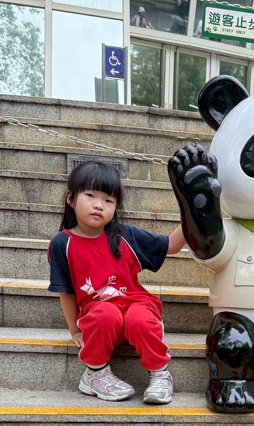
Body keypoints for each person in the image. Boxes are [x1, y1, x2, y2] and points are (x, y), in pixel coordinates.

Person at [48, 160, 185, 403]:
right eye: (90, 195)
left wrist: (193, 214)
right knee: (106, 314)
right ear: (70, 198)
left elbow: (172, 246)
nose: (99, 205)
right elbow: (66, 291)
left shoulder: (125, 236)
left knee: (139, 318)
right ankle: (95, 374)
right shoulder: (62, 244)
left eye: (108, 200)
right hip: (100, 318)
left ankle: (160, 374)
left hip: (136, 308)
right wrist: (75, 330)